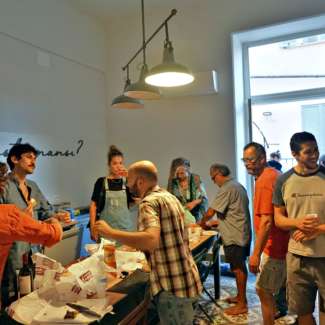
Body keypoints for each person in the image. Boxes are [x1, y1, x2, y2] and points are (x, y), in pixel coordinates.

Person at [93, 160, 202, 325]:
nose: (127, 185)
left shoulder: (148, 203)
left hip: (171, 286)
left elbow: (150, 240)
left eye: (129, 180)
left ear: (140, 181)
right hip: (188, 279)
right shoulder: (169, 196)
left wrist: (110, 232)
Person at [0, 143, 70, 306]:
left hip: (35, 253)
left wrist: (56, 216)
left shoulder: (33, 186)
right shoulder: (3, 186)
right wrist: (21, 219)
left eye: (35, 158)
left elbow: (46, 211)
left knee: (35, 294)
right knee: (13, 297)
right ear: (14, 159)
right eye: (29, 157)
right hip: (12, 256)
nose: (34, 161)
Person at [273, 132, 325, 325]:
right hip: (297, 258)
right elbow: (278, 219)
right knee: (302, 312)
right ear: (294, 154)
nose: (314, 155)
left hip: (324, 254)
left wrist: (318, 229)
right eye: (308, 152)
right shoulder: (283, 180)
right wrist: (297, 223)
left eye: (316, 150)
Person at [243, 142, 289, 325]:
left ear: (262, 159)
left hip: (274, 247)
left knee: (263, 290)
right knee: (272, 290)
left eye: (251, 160)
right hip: (283, 244)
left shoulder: (264, 181)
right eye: (244, 160)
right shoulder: (275, 174)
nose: (247, 164)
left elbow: (267, 221)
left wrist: (255, 254)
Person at [200, 163, 251, 315]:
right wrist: (215, 223)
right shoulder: (237, 185)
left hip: (235, 236)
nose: (214, 182)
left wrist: (203, 223)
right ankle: (240, 297)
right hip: (241, 232)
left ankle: (242, 304)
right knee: (239, 267)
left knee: (237, 268)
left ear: (218, 174)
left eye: (213, 178)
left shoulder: (227, 188)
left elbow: (210, 212)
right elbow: (233, 213)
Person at [89, 145, 136, 241]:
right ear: (109, 165)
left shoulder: (127, 181)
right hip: (105, 231)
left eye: (120, 163)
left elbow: (136, 199)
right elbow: (93, 206)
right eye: (115, 163)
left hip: (125, 231)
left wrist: (130, 178)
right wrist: (93, 227)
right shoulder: (101, 182)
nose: (118, 166)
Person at [168, 157, 208, 221]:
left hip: (197, 215)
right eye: (177, 174)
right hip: (181, 216)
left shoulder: (195, 179)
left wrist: (194, 203)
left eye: (182, 173)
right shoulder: (173, 182)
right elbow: (169, 199)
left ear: (188, 170)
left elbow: (203, 198)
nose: (179, 176)